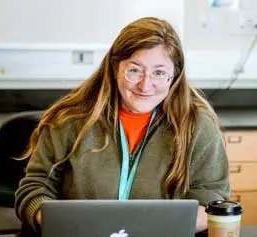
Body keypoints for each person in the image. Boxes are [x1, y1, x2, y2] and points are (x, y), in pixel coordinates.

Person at [15, 16, 230, 234]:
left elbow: (212, 201)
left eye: (159, 73)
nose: (145, 85)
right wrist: (65, 224)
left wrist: (148, 229)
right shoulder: (69, 119)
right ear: (115, 67)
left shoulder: (198, 125)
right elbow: (35, 188)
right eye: (134, 70)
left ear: (174, 76)